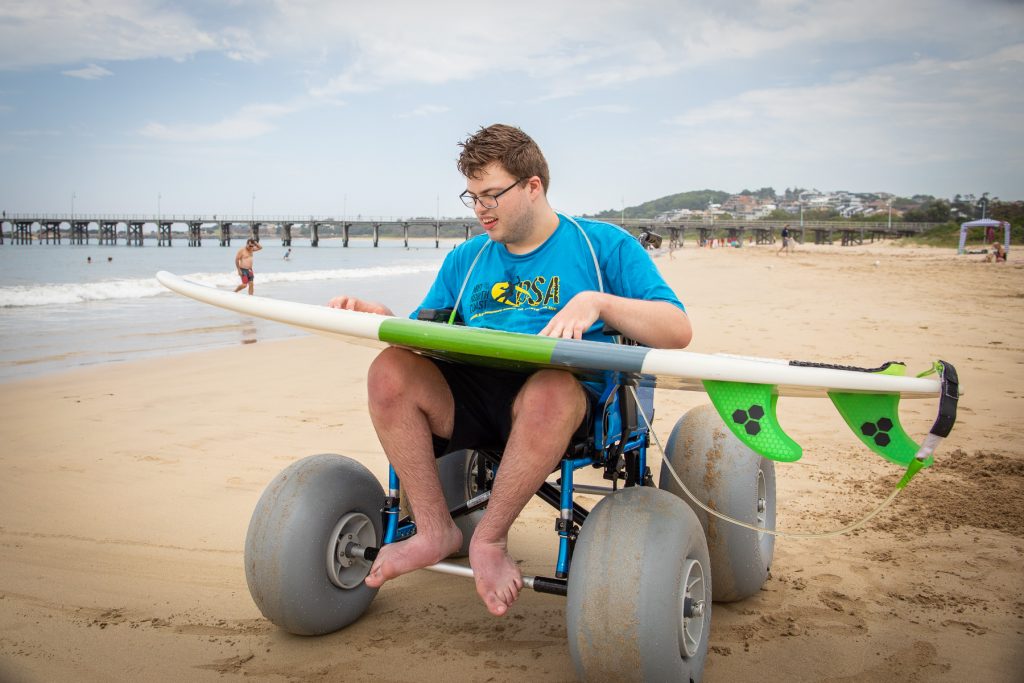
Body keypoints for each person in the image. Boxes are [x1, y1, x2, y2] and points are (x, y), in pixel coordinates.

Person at [327, 124, 691, 617]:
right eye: (473, 197)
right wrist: (382, 318)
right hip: (476, 397)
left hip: (564, 405)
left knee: (549, 389)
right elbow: (424, 337)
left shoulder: (602, 245)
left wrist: (598, 302)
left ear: (533, 187)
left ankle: (490, 540)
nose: (481, 209)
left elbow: (677, 329)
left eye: (492, 194)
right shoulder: (468, 258)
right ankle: (435, 529)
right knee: (389, 370)